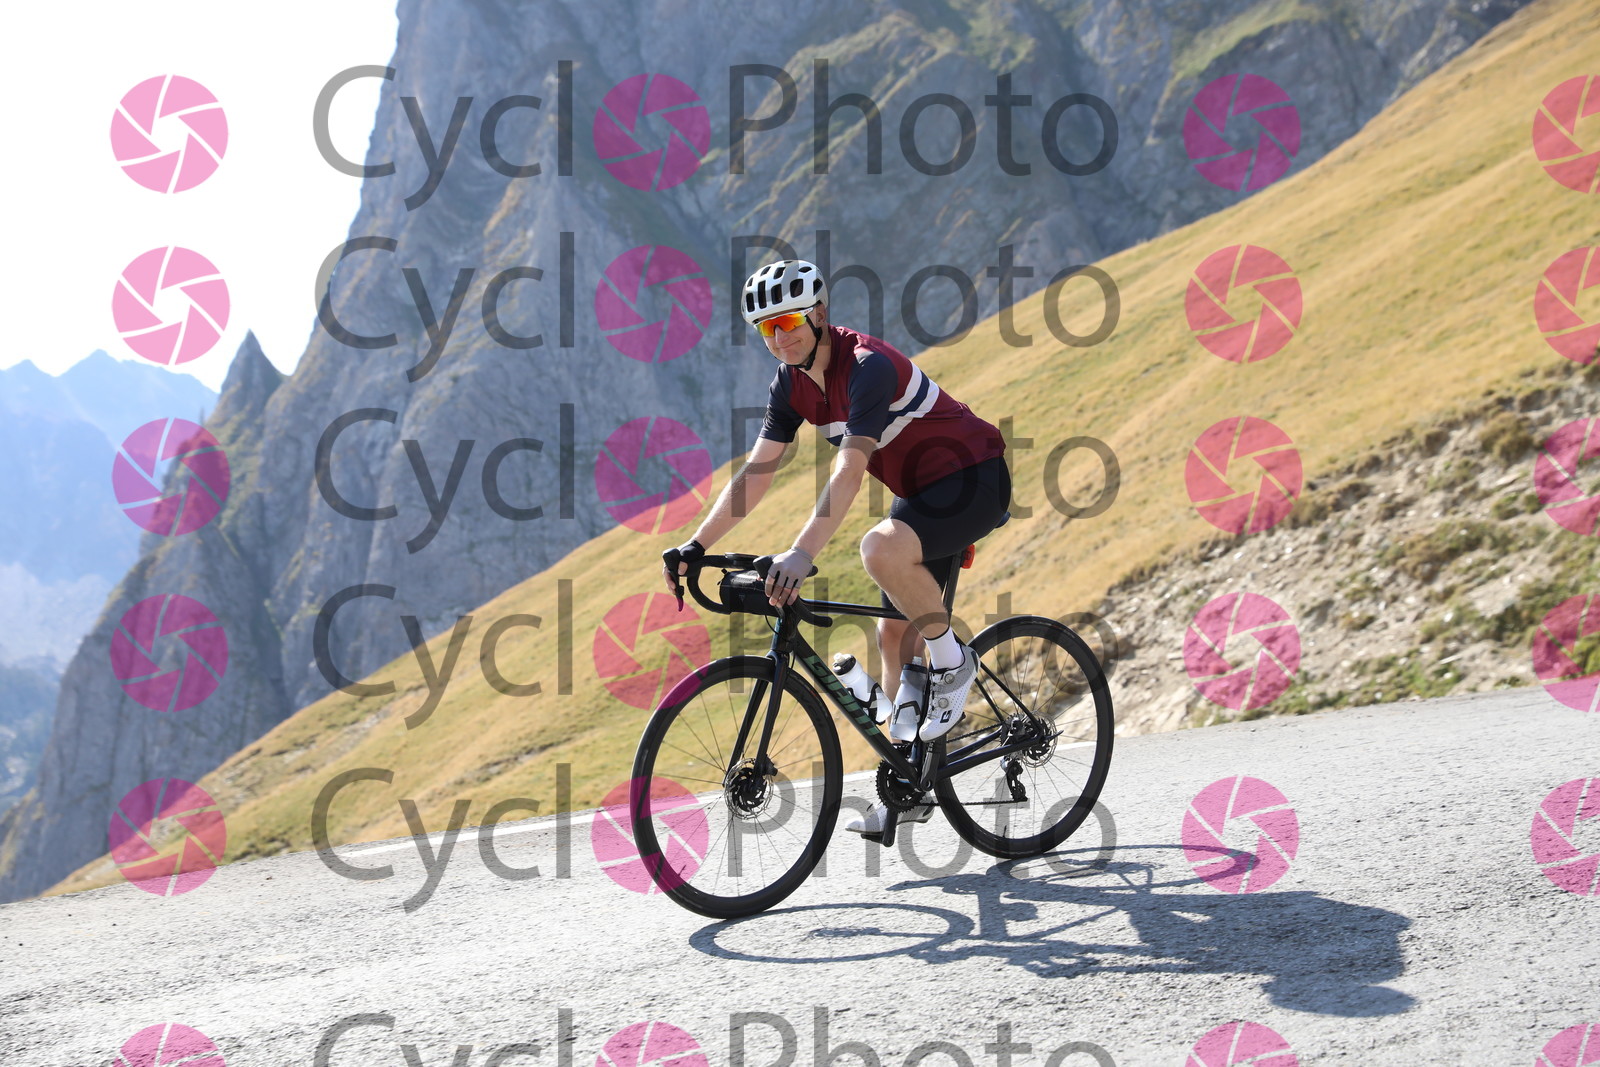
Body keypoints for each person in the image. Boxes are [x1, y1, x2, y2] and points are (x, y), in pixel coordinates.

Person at [661, 259, 1012, 834]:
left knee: (879, 550)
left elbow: (849, 471)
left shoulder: (867, 367)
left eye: (789, 322)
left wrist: (801, 553)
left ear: (819, 314)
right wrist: (695, 545)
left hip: (975, 478)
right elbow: (757, 472)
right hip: (921, 496)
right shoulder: (789, 385)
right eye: (767, 329)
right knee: (892, 633)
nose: (781, 338)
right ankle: (910, 784)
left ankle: (954, 663)